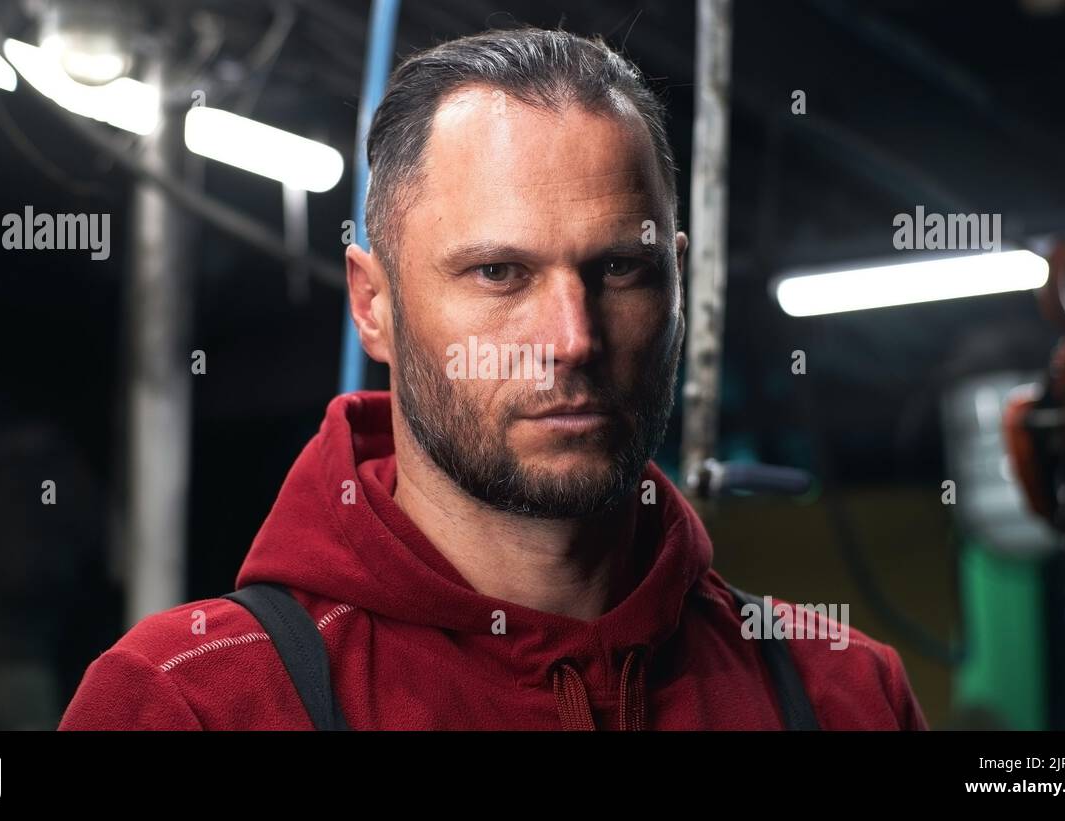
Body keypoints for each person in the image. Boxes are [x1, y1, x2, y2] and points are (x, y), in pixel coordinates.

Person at [60, 27, 927, 730]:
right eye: (499, 273)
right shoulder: (189, 704)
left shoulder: (842, 693)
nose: (573, 339)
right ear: (374, 304)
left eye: (621, 268)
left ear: (679, 284)